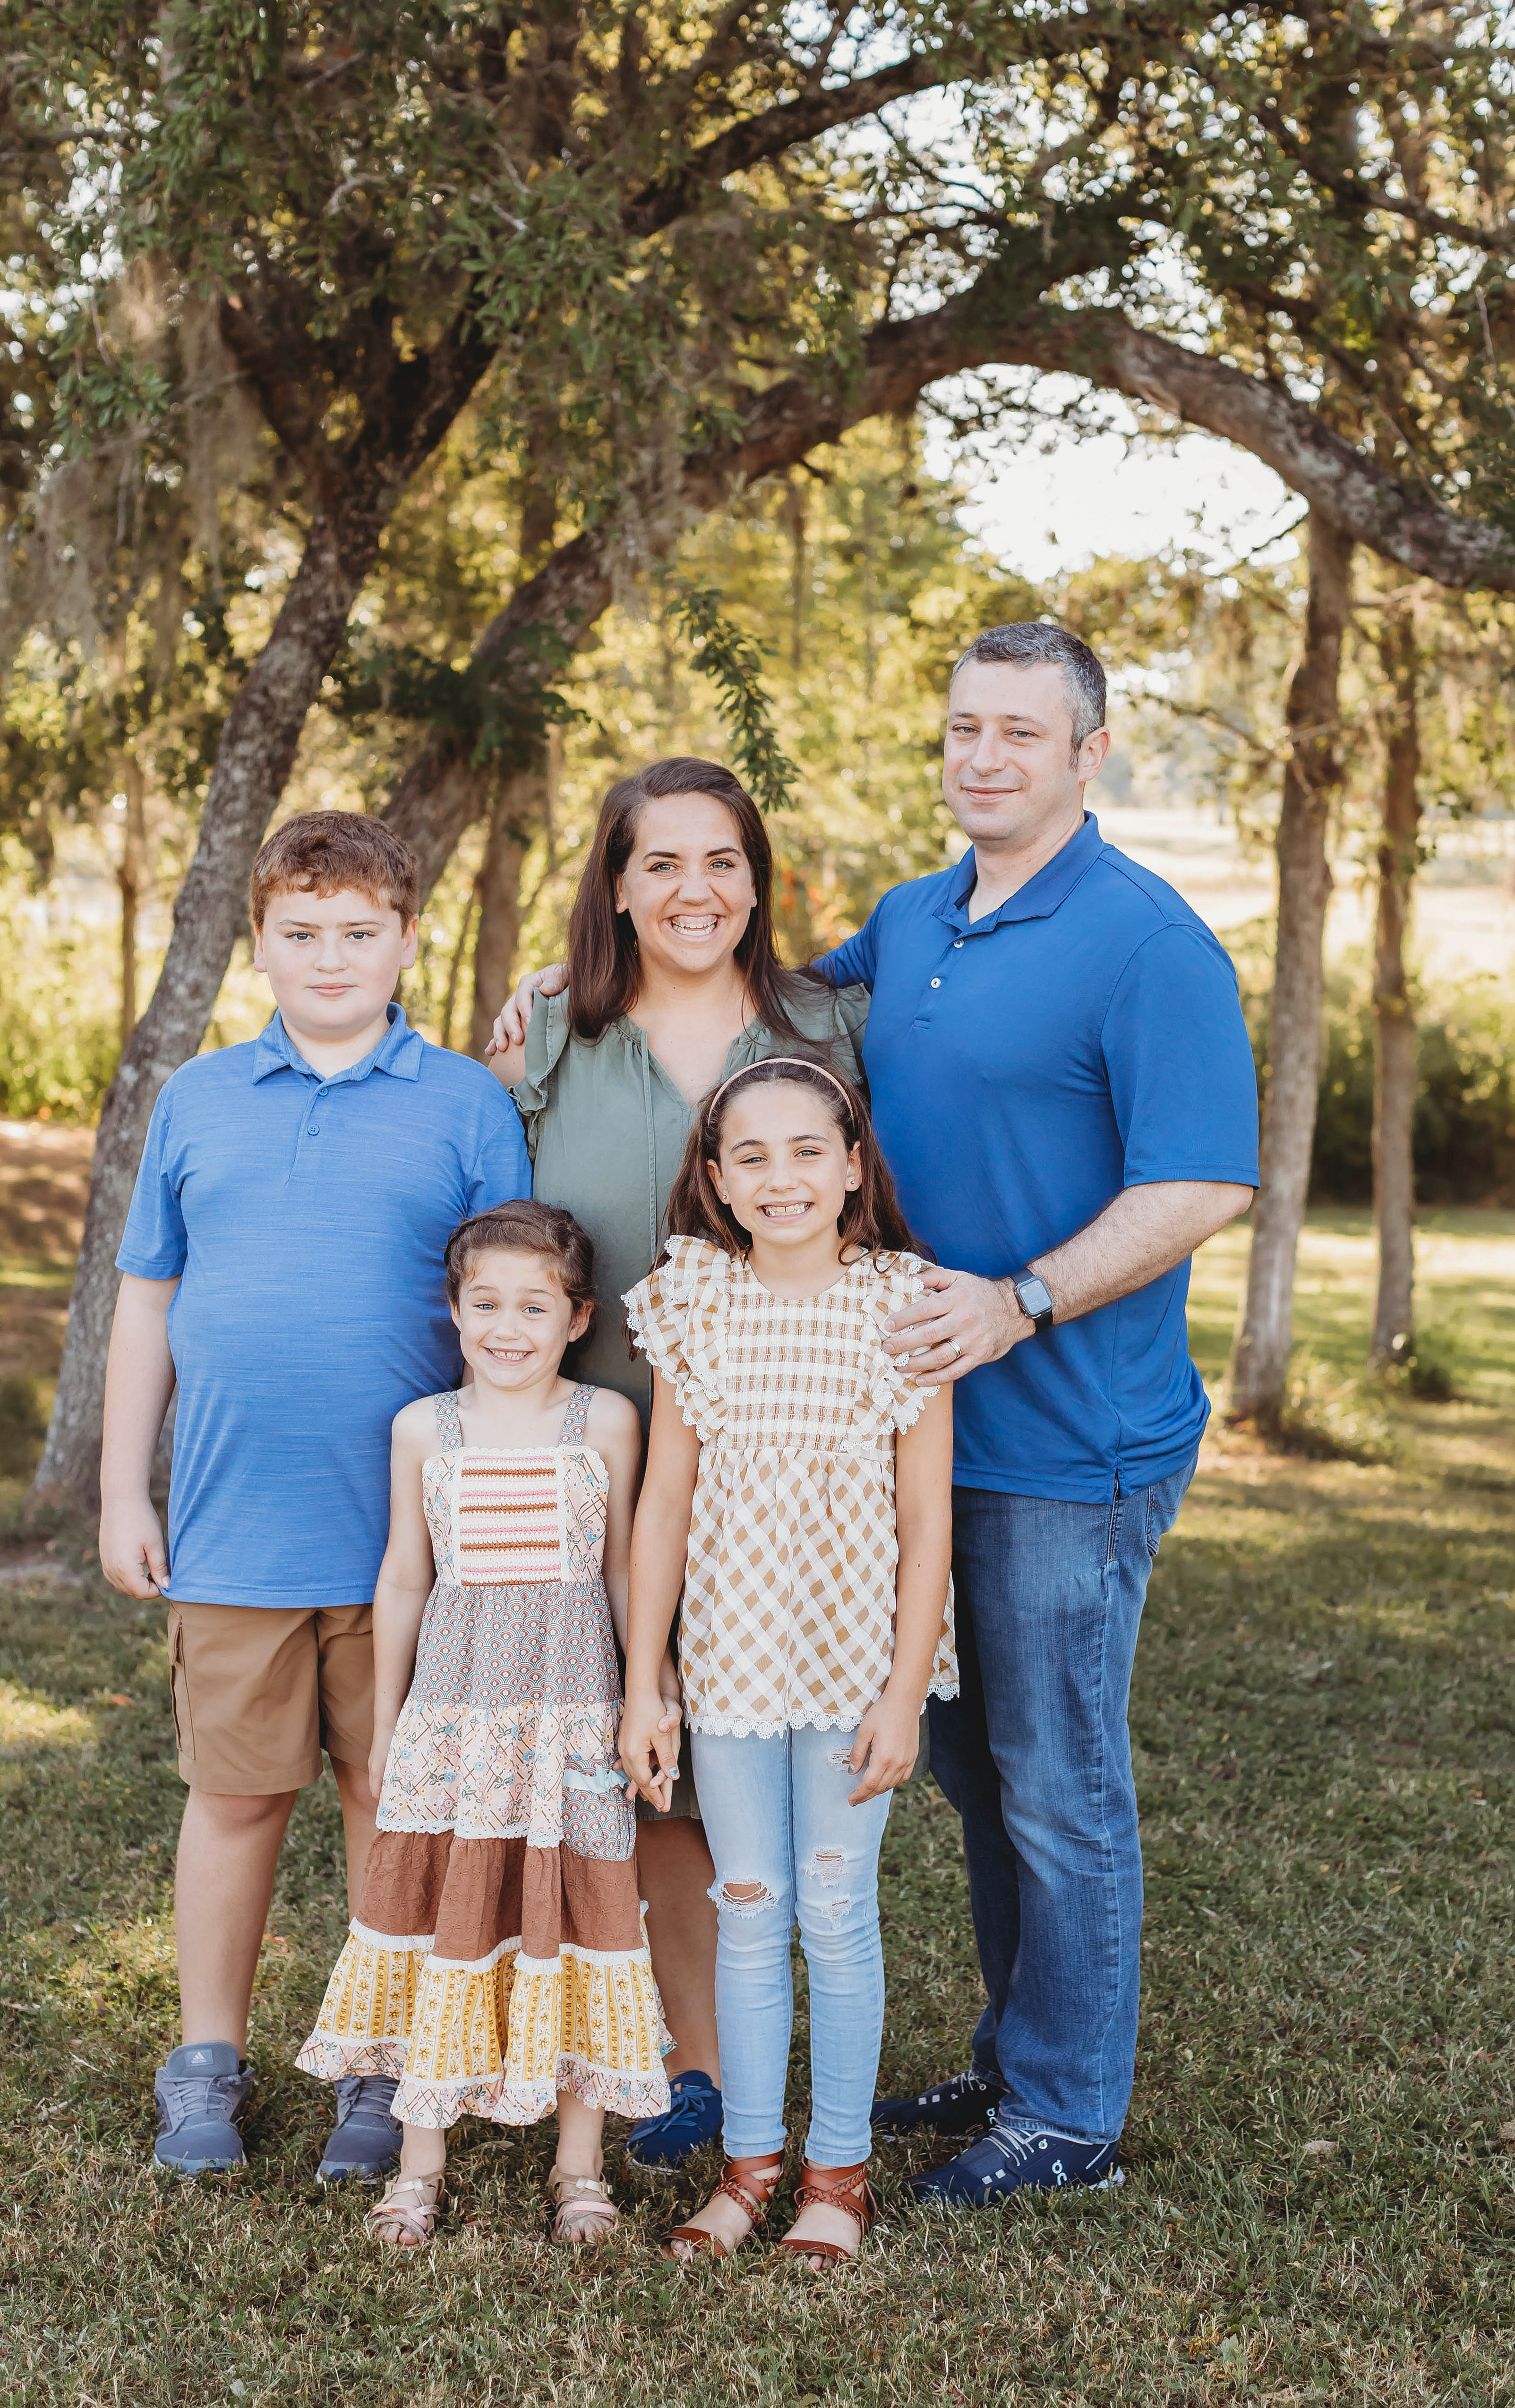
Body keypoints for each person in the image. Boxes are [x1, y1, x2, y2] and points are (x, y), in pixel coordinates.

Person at [809, 622, 1259, 2203]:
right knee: (970, 1766)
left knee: (1059, 1778)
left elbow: (1203, 1179)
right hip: (922, 1439)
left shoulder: (1150, 945)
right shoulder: (913, 914)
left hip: (1076, 1437)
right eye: (960, 731)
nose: (981, 758)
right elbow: (783, 997)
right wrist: (587, 973)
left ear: (1090, 754)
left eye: (1019, 733)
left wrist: (1023, 1300)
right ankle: (1017, 2052)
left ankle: (1068, 2116)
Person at [99, 812, 531, 2183]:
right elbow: (147, 1302)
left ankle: (380, 2055)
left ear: (409, 939)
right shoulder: (199, 1096)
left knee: (383, 1794)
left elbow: (509, 1308)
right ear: (261, 942)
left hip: (407, 1540)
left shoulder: (465, 1101)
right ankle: (207, 2060)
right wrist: (124, 1483)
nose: (330, 955)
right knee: (235, 1798)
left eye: (360, 932)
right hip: (235, 1527)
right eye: (302, 931)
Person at [488, 754, 866, 2167]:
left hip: (787, 1471)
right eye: (660, 863)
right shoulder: (549, 1041)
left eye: (721, 860)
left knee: (760, 1756)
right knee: (648, 1765)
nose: (694, 889)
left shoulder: (832, 1026)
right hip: (606, 1466)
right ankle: (695, 2065)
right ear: (617, 884)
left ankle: (791, 2087)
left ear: (758, 880)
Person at [619, 1058, 955, 2266]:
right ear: (713, 1178)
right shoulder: (694, 1299)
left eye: (807, 1151)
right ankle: (749, 2168)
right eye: (750, 1156)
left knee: (834, 1909)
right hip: (727, 1663)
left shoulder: (901, 1304)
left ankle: (838, 2175)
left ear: (854, 1166)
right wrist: (646, 1679)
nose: (781, 1177)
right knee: (748, 1911)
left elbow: (928, 1524)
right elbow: (662, 1504)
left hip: (852, 1662)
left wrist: (906, 1690)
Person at [296, 1201, 670, 2247]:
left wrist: (648, 1691)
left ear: (576, 1317)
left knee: (585, 1911)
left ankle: (578, 2160)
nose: (508, 1328)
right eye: (485, 1305)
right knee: (440, 1914)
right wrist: (386, 1719)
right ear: (454, 1312)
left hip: (571, 1710)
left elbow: (624, 1569)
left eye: (534, 1307)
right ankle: (420, 2164)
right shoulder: (425, 1428)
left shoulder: (603, 1421)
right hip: (455, 1715)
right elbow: (405, 1577)